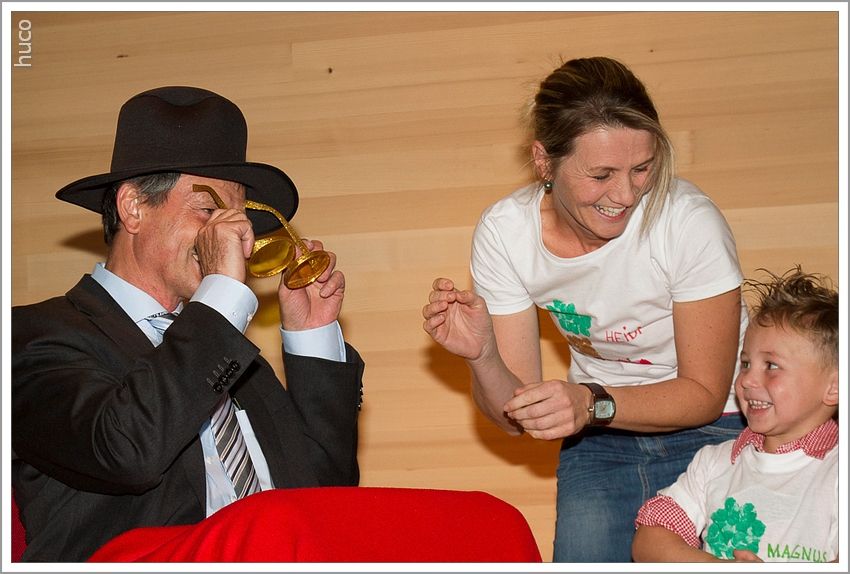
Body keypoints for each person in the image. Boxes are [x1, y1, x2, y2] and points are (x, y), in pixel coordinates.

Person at [12, 86, 365, 562]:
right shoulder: (32, 337)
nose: (234, 237)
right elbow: (126, 451)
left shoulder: (227, 355)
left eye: (238, 218)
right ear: (133, 207)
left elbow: (325, 501)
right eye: (209, 210)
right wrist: (222, 298)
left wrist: (312, 336)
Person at [422, 56, 749, 562]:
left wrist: (590, 403)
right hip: (600, 434)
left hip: (720, 427)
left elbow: (705, 395)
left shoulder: (687, 221)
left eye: (642, 168)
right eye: (601, 174)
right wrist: (483, 357)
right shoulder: (505, 233)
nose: (626, 194)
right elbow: (516, 419)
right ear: (544, 161)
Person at [632, 266, 838, 563]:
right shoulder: (714, 463)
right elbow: (650, 538)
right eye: (745, 364)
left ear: (833, 387)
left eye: (771, 366)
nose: (746, 380)